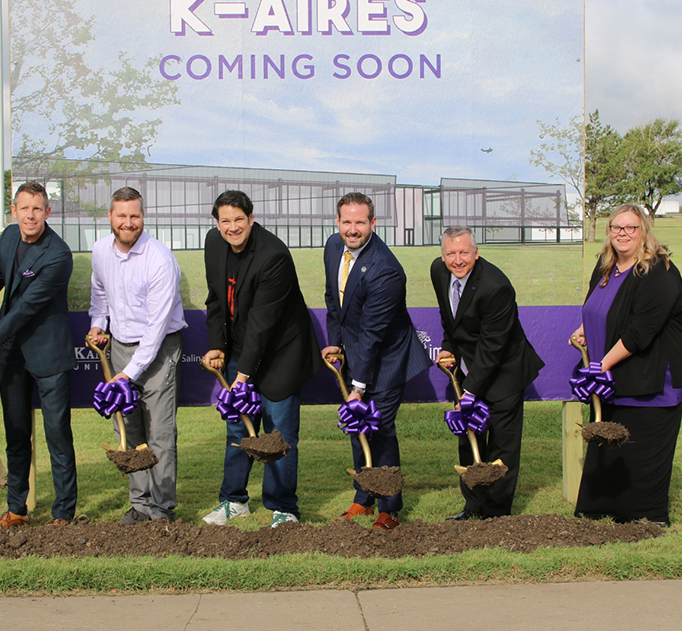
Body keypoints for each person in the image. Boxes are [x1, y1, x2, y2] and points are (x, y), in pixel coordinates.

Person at [0, 181, 77, 528]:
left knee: (57, 435)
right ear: (14, 211)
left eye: (37, 209)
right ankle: (17, 509)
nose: (30, 215)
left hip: (48, 353)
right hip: (13, 353)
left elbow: (25, 309)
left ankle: (63, 512)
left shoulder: (58, 254)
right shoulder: (8, 237)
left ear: (47, 212)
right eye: (24, 208)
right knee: (16, 433)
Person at [201, 190, 322, 528]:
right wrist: (218, 347)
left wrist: (241, 377)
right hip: (242, 349)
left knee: (278, 434)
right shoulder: (214, 243)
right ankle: (234, 501)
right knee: (237, 427)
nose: (232, 227)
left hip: (281, 353)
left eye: (239, 219)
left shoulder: (274, 256)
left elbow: (262, 324)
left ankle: (284, 507)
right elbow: (216, 300)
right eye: (225, 220)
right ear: (217, 223)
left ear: (251, 220)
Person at [570, 204, 682, 526]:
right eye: (617, 228)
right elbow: (599, 307)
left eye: (631, 228)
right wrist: (585, 329)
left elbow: (640, 332)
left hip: (652, 376)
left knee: (641, 447)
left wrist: (600, 366)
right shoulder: (606, 265)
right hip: (615, 372)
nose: (622, 234)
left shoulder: (659, 272)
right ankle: (599, 508)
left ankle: (644, 515)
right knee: (608, 443)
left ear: (644, 233)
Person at [322, 192, 432, 530]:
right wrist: (336, 344)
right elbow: (333, 299)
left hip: (386, 360)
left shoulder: (386, 271)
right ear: (337, 222)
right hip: (356, 352)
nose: (352, 229)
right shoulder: (332, 246)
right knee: (358, 429)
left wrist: (357, 387)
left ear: (373, 223)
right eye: (346, 222)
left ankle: (390, 509)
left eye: (360, 222)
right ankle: (363, 500)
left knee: (380, 430)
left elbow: (372, 334)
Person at [87, 187, 187, 523]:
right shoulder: (101, 250)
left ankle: (161, 510)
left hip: (159, 351)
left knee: (158, 432)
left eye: (135, 216)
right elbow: (99, 293)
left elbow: (156, 330)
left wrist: (127, 375)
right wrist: (98, 324)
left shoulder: (160, 259)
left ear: (143, 217)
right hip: (119, 347)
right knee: (127, 431)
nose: (128, 223)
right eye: (121, 216)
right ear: (110, 218)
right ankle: (139, 505)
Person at [430, 226, 544, 520]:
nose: (458, 260)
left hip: (505, 371)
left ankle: (496, 513)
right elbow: (450, 317)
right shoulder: (439, 272)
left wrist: (470, 392)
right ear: (442, 256)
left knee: (501, 445)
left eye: (464, 253)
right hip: (471, 367)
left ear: (476, 253)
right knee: (468, 438)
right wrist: (448, 346)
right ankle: (472, 507)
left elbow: (494, 347)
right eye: (451, 253)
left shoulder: (496, 287)